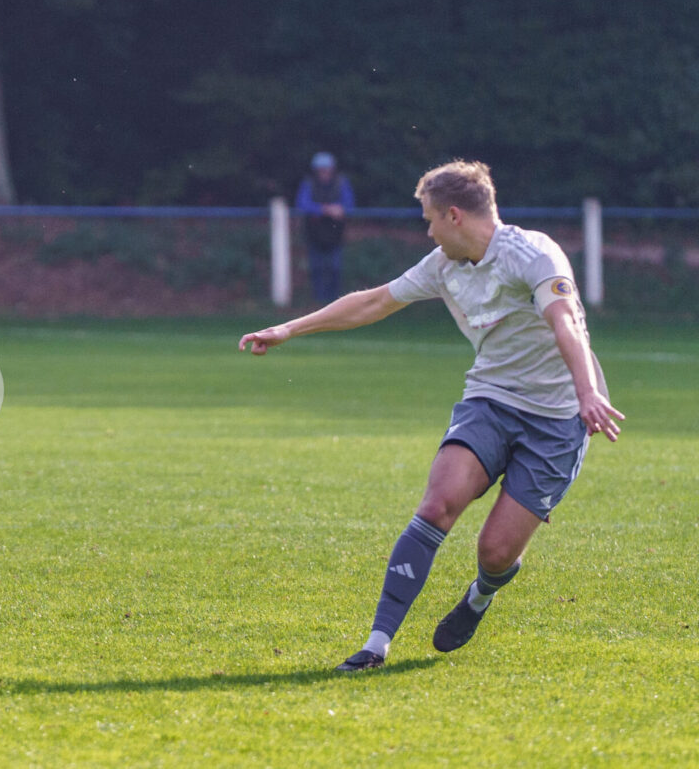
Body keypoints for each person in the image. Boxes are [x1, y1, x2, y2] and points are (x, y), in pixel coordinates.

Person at [239, 159, 623, 671]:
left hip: (558, 418)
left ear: (454, 215)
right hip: (490, 400)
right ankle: (376, 644)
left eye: (430, 219)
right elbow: (373, 302)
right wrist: (288, 329)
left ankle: (480, 596)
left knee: (495, 553)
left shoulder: (534, 253)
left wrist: (587, 393)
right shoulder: (443, 265)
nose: (428, 231)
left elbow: (565, 324)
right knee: (438, 504)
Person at [295, 151, 355, 304]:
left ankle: (336, 301)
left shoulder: (341, 183)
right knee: (316, 268)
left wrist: (340, 210)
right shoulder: (309, 184)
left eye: (327, 170)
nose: (324, 173)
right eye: (321, 170)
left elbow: (349, 205)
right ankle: (318, 301)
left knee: (335, 268)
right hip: (314, 234)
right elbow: (302, 204)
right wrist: (325, 210)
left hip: (335, 234)